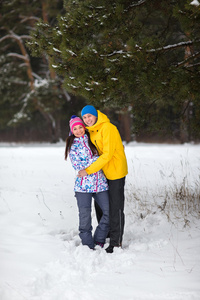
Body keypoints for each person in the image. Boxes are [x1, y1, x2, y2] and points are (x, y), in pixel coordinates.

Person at [78, 105, 128, 253]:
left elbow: (107, 154)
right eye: (84, 117)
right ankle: (105, 233)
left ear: (95, 115)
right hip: (102, 173)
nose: (87, 119)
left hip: (115, 172)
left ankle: (116, 241)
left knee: (115, 206)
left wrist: (88, 171)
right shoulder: (91, 130)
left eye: (89, 116)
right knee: (101, 205)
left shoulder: (108, 128)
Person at [65, 115, 109, 250]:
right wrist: (97, 160)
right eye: (75, 129)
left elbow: (104, 154)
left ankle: (99, 238)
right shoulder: (72, 146)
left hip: (100, 184)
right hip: (82, 187)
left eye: (80, 127)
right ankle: (87, 244)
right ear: (72, 131)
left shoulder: (93, 140)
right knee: (85, 217)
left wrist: (94, 163)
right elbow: (78, 166)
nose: (79, 130)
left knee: (109, 212)